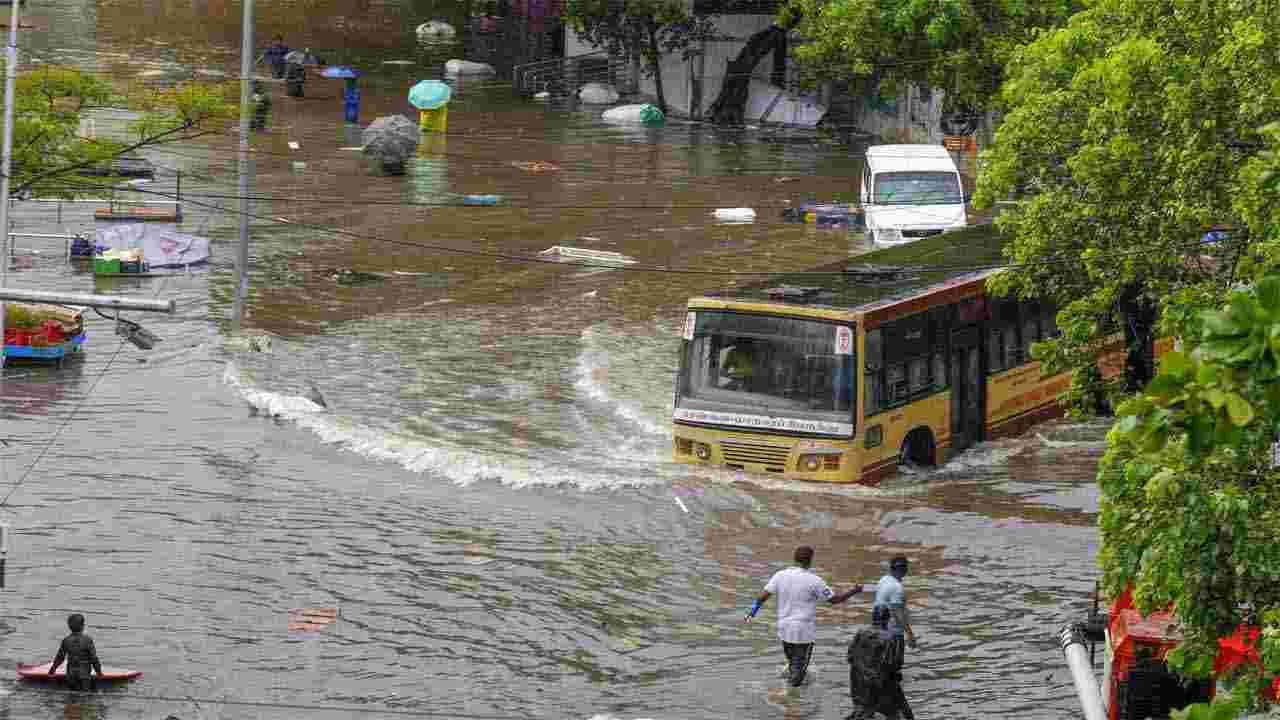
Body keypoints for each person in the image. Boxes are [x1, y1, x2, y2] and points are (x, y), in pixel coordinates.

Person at [744, 545, 863, 688]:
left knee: (793, 663)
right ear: (810, 561)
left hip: (784, 629)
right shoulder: (814, 580)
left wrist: (752, 612)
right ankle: (788, 699)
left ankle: (790, 684)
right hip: (803, 632)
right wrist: (854, 591)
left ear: (794, 558)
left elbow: (761, 597)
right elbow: (835, 600)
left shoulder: (780, 575)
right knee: (798, 671)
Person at [847, 606, 914, 720]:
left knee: (862, 712)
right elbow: (894, 664)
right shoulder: (892, 636)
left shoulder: (860, 633)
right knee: (903, 714)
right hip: (881, 684)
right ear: (888, 619)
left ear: (873, 618)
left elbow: (850, 657)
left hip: (858, 684)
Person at [873, 556, 918, 670]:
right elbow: (898, 613)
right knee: (895, 666)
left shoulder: (884, 580)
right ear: (903, 570)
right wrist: (910, 635)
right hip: (894, 634)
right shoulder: (897, 588)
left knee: (883, 664)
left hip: (880, 630)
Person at [49, 613, 102, 692]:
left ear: (69, 627)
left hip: (71, 675)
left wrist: (52, 670)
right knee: (84, 697)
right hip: (84, 676)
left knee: (72, 696)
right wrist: (99, 673)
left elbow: (60, 658)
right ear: (82, 626)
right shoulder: (87, 640)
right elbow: (94, 658)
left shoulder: (66, 640)